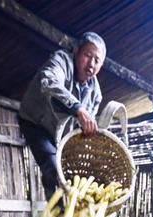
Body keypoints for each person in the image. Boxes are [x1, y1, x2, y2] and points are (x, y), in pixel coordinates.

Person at [19, 32, 105, 201]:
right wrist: (79, 109)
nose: (91, 64)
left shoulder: (96, 94)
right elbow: (49, 81)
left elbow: (86, 125)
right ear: (77, 51)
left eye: (97, 60)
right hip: (36, 122)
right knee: (52, 167)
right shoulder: (62, 61)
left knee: (71, 176)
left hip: (61, 136)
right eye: (88, 55)